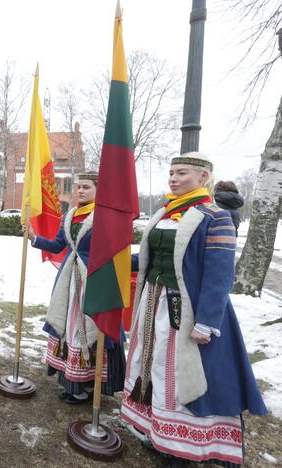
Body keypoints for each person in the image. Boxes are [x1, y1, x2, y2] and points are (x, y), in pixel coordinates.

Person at [121, 152, 266, 466]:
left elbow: (220, 275)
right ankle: (157, 432)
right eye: (171, 172)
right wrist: (117, 260)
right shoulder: (164, 213)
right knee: (154, 367)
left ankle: (184, 446)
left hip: (189, 310)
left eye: (182, 173)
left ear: (203, 178)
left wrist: (206, 321)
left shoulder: (216, 217)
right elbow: (152, 258)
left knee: (184, 375)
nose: (173, 178)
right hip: (153, 304)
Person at [25, 172, 125, 405]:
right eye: (78, 187)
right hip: (69, 281)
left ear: (99, 190)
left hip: (95, 280)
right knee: (68, 328)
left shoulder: (105, 217)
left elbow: (115, 250)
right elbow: (59, 245)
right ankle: (72, 382)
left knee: (88, 330)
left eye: (86, 187)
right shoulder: (71, 215)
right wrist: (34, 238)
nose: (80, 190)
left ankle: (88, 384)